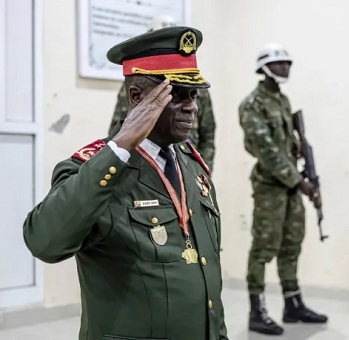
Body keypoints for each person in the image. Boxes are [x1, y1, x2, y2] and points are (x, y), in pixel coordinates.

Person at [23, 26, 228, 340]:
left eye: (194, 95)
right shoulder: (96, 169)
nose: (192, 106)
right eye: (177, 94)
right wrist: (118, 149)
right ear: (136, 97)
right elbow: (44, 242)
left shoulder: (193, 167)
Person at [238, 42, 328, 336]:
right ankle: (256, 309)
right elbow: (266, 151)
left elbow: (284, 145)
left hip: (290, 186)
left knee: (291, 245)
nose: (285, 67)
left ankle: (292, 304)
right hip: (270, 186)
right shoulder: (252, 104)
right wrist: (299, 182)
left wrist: (298, 150)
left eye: (288, 63)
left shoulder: (283, 101)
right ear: (264, 67)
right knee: (264, 247)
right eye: (280, 63)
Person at [109, 16, 217, 172]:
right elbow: (119, 127)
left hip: (185, 165)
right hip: (143, 165)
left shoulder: (201, 91)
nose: (191, 107)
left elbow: (208, 134)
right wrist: (118, 159)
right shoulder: (138, 86)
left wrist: (202, 171)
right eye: (173, 93)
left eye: (192, 95)